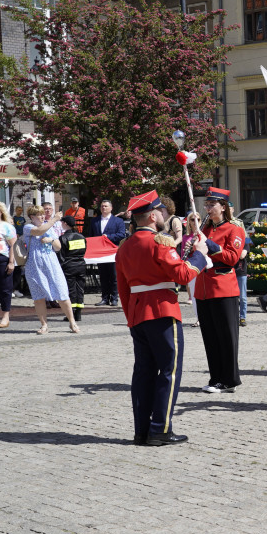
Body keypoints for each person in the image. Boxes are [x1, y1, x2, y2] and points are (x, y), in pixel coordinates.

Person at [116, 189, 208, 446]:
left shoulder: (125, 247)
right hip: (161, 311)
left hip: (137, 313)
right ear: (154, 215)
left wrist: (131, 317)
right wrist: (200, 254)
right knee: (169, 370)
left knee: (143, 373)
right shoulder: (159, 242)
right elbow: (182, 275)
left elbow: (123, 289)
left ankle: (141, 430)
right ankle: (160, 429)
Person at [194, 187, 247, 393]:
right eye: (206, 205)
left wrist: (210, 245)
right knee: (210, 336)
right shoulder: (204, 229)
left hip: (223, 287)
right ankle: (216, 377)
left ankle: (230, 380)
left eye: (211, 205)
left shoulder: (234, 229)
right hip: (204, 288)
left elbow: (232, 258)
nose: (207, 208)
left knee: (226, 336)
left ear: (223, 207)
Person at [22, 205, 80, 334]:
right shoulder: (28, 227)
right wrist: (53, 220)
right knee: (38, 297)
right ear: (32, 217)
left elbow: (58, 247)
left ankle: (72, 322)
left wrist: (51, 240)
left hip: (52, 264)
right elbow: (38, 231)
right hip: (35, 265)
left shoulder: (49, 228)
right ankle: (44, 325)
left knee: (62, 292)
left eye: (43, 214)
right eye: (39, 215)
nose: (43, 216)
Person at [87, 199, 127, 306]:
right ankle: (104, 298)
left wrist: (108, 237)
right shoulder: (94, 221)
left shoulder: (118, 221)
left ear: (111, 208)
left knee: (113, 276)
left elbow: (122, 235)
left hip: (112, 252)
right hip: (100, 253)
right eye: (102, 206)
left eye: (105, 206)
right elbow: (91, 236)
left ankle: (114, 298)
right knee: (103, 276)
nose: (103, 208)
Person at [0, 201, 18, 329]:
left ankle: (5, 316)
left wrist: (11, 262)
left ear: (1, 211)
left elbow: (13, 245)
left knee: (4, 289)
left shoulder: (6, 226)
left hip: (2, 259)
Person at [57, 216, 87, 322]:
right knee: (80, 289)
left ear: (65, 223)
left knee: (71, 289)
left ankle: (71, 314)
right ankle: (78, 313)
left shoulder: (63, 238)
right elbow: (84, 251)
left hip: (68, 266)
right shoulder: (81, 237)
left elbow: (61, 256)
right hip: (81, 265)